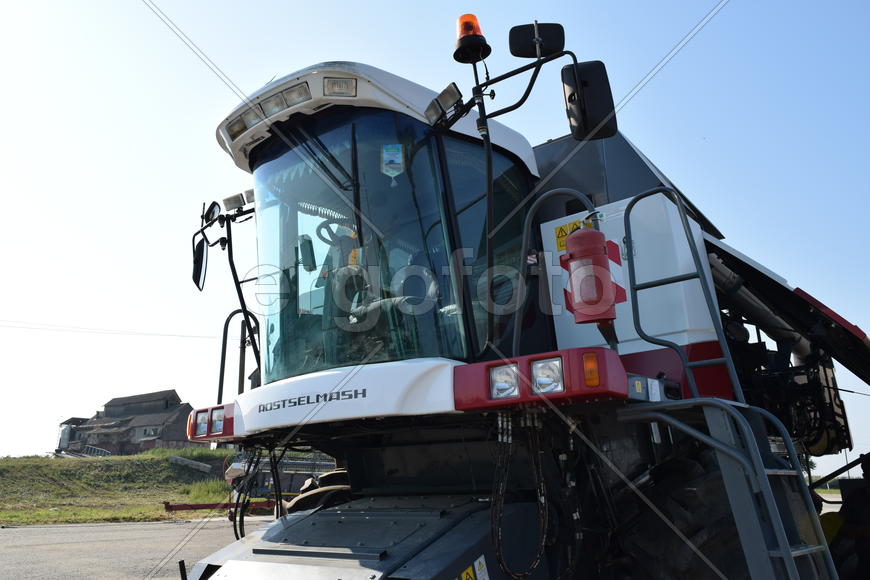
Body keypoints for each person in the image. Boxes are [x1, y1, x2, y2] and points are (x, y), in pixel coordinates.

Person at [835, 455, 870, 579]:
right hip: (862, 559)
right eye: (866, 473)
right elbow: (840, 528)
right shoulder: (856, 497)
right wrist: (863, 531)